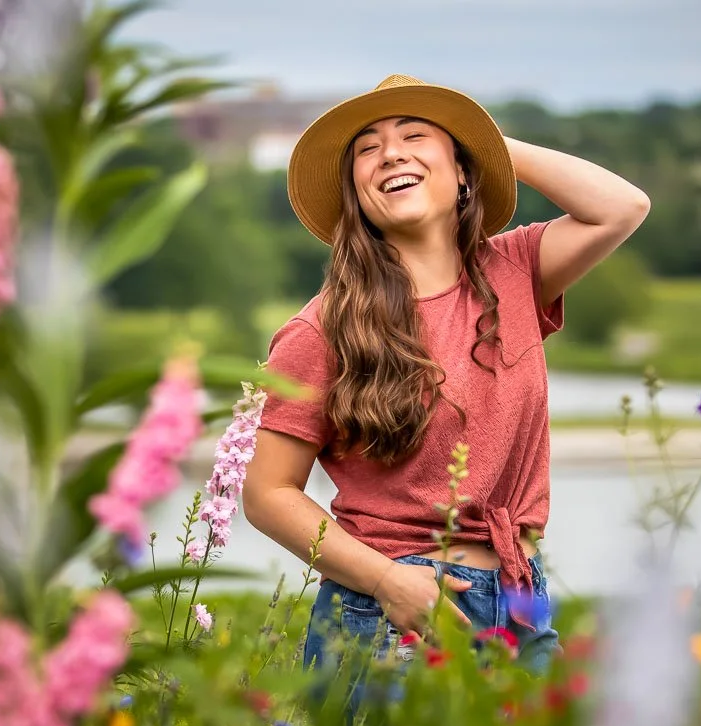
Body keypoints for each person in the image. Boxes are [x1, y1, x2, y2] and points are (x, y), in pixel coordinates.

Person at [241, 75, 650, 675]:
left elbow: (622, 207)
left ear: (463, 172)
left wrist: (485, 144)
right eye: (368, 149)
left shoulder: (514, 271)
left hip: (518, 600)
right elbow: (268, 495)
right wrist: (387, 582)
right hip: (387, 616)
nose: (392, 153)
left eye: (414, 135)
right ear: (356, 193)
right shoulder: (321, 329)